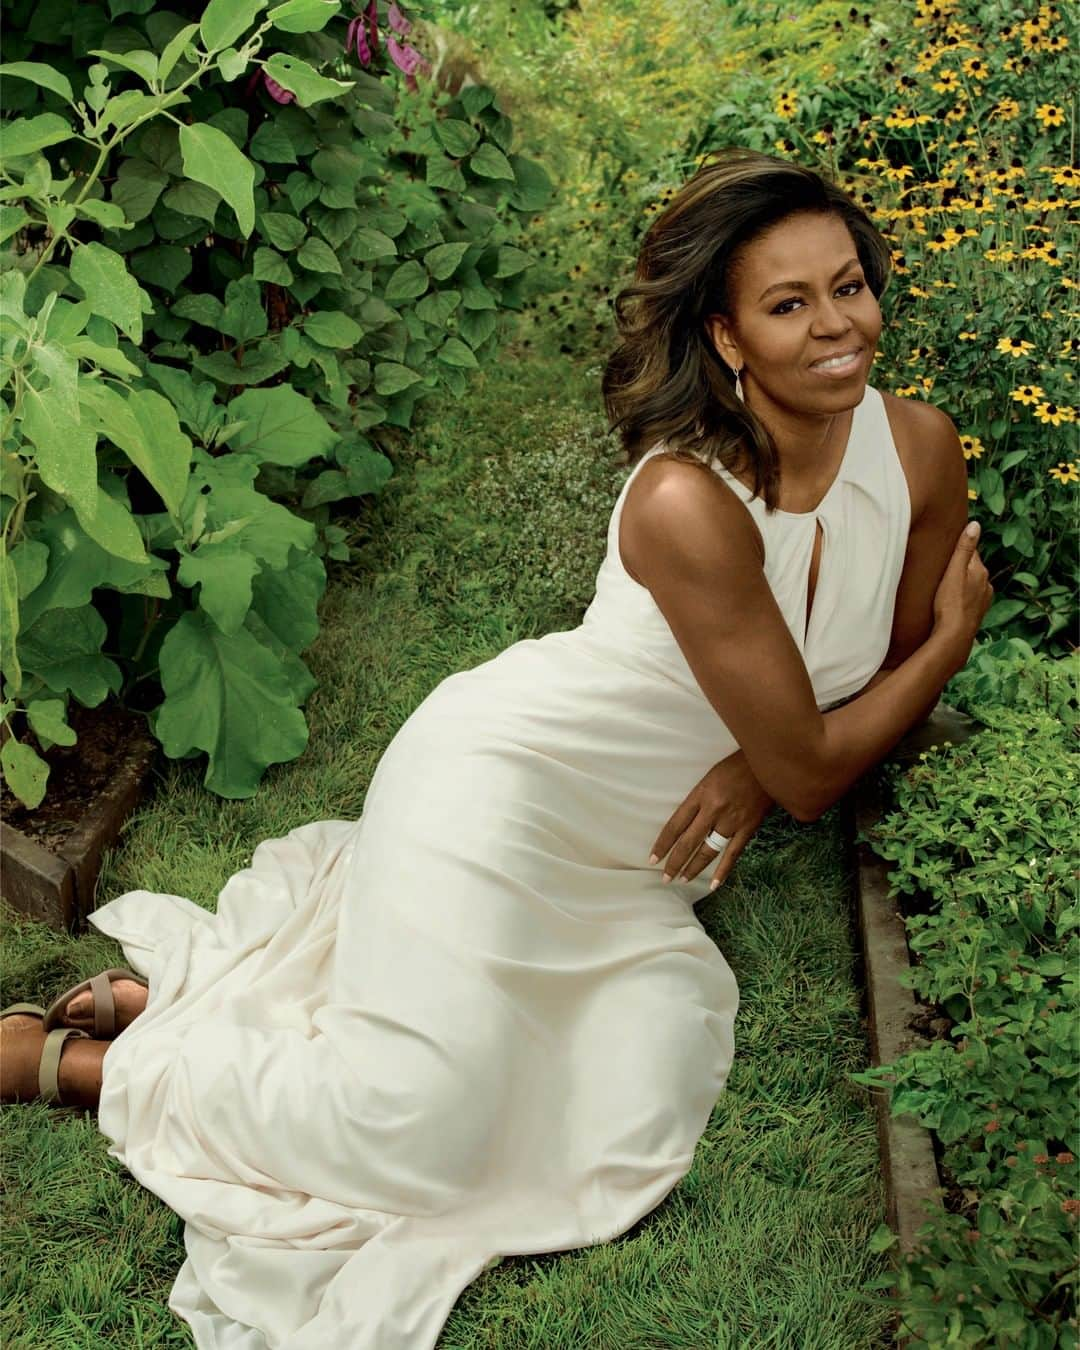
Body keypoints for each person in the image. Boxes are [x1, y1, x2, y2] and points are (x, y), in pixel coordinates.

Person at [1, 145, 992, 1348]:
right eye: (790, 303)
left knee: (614, 1094)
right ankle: (66, 1066)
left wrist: (774, 752)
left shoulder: (920, 448)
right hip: (507, 789)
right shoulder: (690, 500)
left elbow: (833, 720)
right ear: (727, 338)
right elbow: (828, 753)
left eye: (851, 284)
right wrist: (947, 649)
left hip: (627, 870)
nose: (840, 326)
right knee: (416, 1123)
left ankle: (196, 1014)